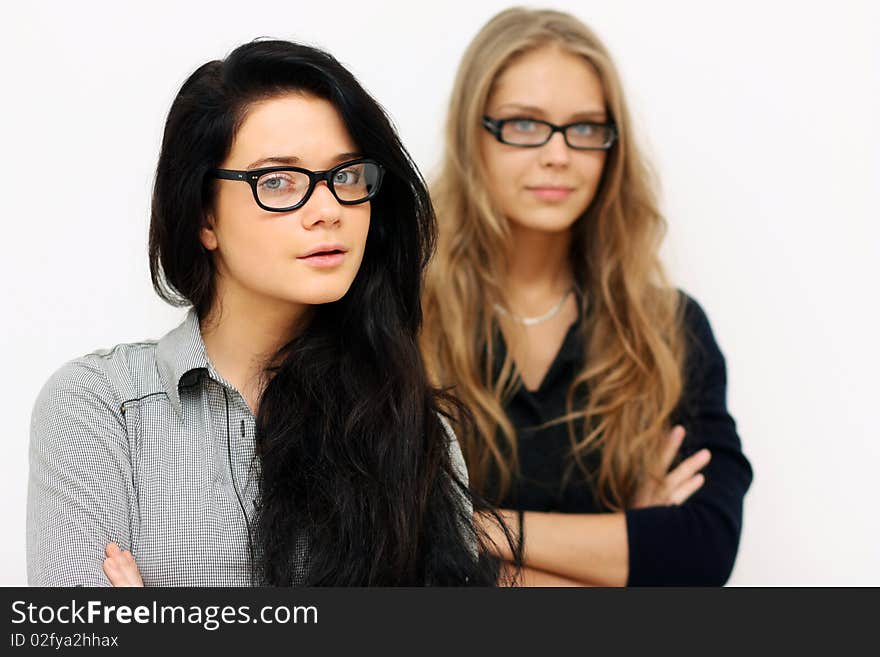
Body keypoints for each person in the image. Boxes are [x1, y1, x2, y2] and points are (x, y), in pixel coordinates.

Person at [27, 39, 503, 587]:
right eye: (277, 181)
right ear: (204, 216)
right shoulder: (101, 410)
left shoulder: (415, 428)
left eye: (346, 176)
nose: (327, 210)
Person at [421, 7, 753, 586]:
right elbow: (388, 553)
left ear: (611, 147)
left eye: (584, 128)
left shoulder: (668, 328)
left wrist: (471, 526)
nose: (558, 153)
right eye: (524, 124)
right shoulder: (399, 317)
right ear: (472, 133)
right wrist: (626, 547)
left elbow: (702, 552)